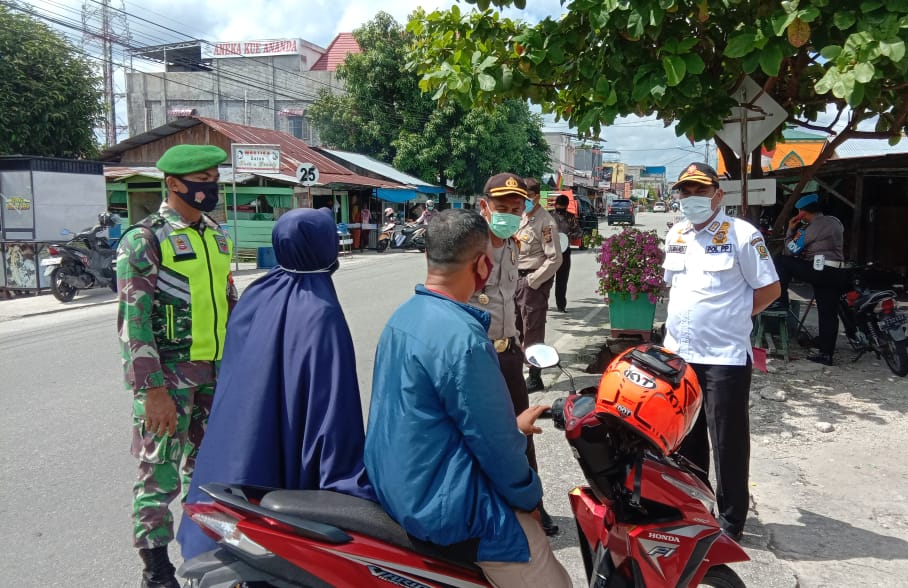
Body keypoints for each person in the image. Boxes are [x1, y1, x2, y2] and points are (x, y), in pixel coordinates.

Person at [365, 209, 572, 588]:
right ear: (483, 265)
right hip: (443, 503)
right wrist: (530, 498)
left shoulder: (404, 317)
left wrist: (511, 426)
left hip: (398, 485)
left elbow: (432, 414)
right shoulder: (463, 339)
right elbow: (496, 447)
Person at [177, 207, 373, 560]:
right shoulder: (321, 310)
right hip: (284, 455)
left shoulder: (257, 292)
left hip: (240, 441)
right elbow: (329, 409)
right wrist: (347, 486)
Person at [116, 144, 237, 588]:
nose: (212, 187)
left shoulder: (217, 235)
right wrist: (152, 391)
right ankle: (156, 569)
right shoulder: (145, 240)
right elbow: (134, 323)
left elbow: (228, 302)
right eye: (204, 179)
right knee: (159, 474)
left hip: (216, 377)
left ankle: (202, 550)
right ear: (173, 183)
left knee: (207, 472)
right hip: (168, 380)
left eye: (214, 178)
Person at [662, 161, 780, 543]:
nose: (691, 197)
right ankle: (697, 508)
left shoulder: (742, 235)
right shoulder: (677, 233)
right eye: (685, 191)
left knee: (727, 440)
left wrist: (731, 317)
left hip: (724, 357)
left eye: (700, 190)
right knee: (686, 438)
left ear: (718, 194)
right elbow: (676, 288)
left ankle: (731, 520)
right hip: (680, 354)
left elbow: (769, 289)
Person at [471, 173, 559, 537]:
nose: (508, 213)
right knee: (481, 436)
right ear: (484, 207)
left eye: (514, 207)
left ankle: (532, 505)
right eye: (500, 207)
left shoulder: (511, 244)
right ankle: (484, 508)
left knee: (524, 433)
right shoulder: (471, 248)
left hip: (509, 351)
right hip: (477, 354)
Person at [773, 193, 847, 366]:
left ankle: (780, 300)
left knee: (782, 261)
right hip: (836, 271)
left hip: (819, 270)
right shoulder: (835, 222)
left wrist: (791, 230)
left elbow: (791, 249)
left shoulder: (812, 227)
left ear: (802, 214)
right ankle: (826, 353)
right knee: (828, 313)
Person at [514, 178, 562, 392]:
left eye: (526, 197)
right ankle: (514, 372)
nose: (523, 201)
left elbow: (555, 259)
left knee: (532, 328)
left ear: (535, 196)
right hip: (514, 279)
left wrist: (533, 280)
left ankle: (534, 376)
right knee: (513, 328)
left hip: (533, 280)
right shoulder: (520, 218)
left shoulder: (546, 222)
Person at [549, 194, 582, 313]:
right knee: (546, 278)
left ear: (567, 206)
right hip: (549, 251)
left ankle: (561, 305)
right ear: (555, 205)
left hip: (565, 251)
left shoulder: (571, 218)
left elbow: (578, 232)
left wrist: (569, 236)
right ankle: (542, 303)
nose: (560, 208)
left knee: (562, 280)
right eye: (559, 206)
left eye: (563, 206)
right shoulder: (548, 215)